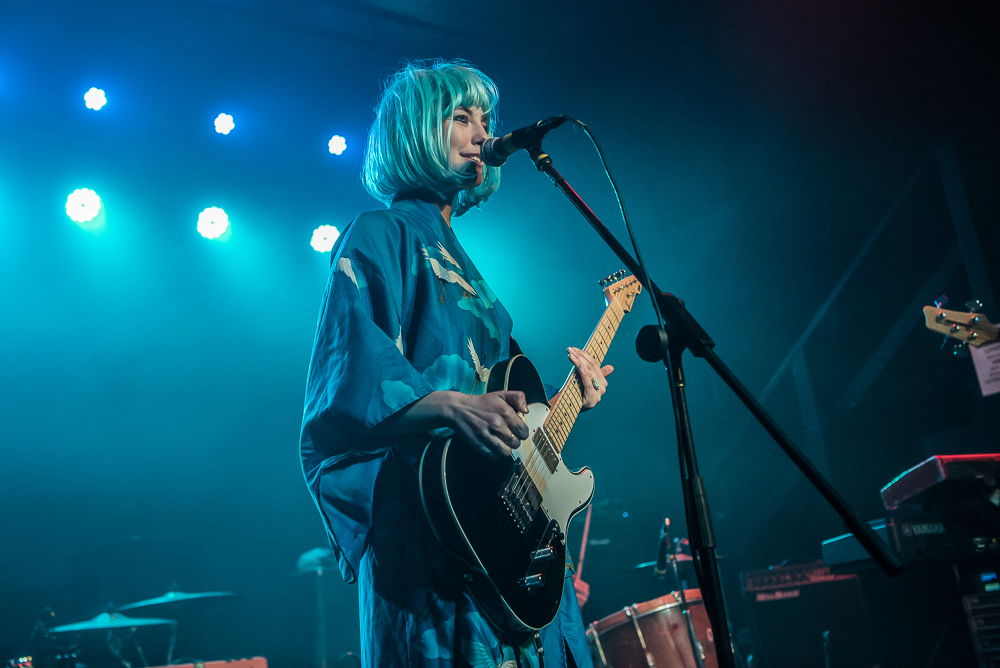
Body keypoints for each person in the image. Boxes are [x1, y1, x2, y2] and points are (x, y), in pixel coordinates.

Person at [300, 59, 612, 668]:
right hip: (432, 537)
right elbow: (345, 383)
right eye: (461, 118)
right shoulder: (379, 233)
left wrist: (566, 396)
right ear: (416, 131)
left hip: (505, 539)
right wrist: (447, 406)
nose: (482, 133)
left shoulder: (474, 275)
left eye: (485, 119)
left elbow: (507, 404)